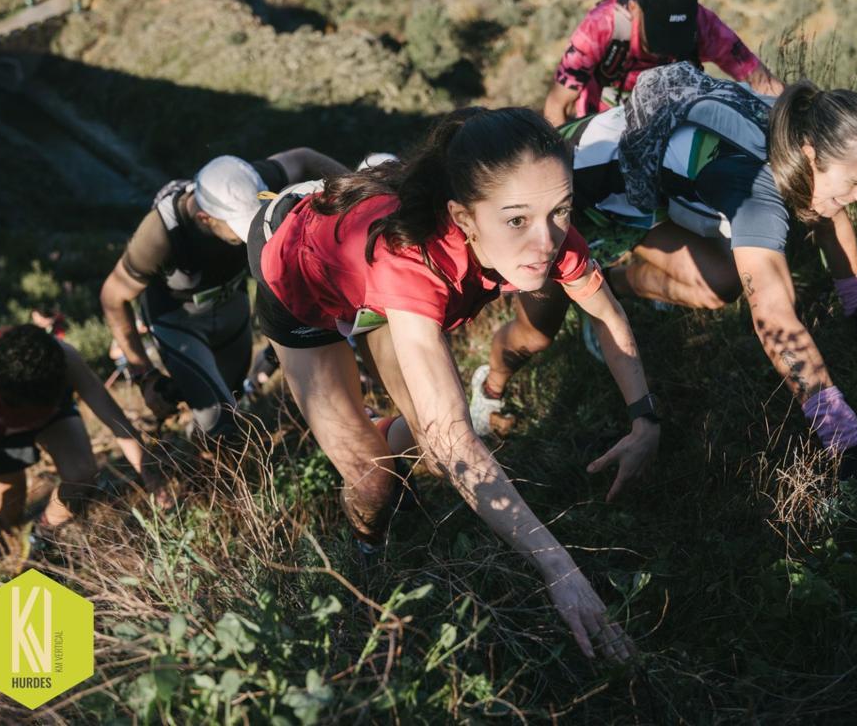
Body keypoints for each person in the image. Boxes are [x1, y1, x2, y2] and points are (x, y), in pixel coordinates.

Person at [249, 108, 660, 661]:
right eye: (516, 221)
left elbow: (608, 319)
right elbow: (456, 437)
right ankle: (367, 557)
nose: (546, 240)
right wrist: (559, 567)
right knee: (375, 486)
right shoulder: (411, 262)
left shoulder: (546, 232)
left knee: (437, 461)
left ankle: (378, 436)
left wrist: (645, 419)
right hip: (298, 272)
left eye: (559, 210)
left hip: (372, 283)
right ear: (464, 218)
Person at [478, 65, 857, 478]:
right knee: (536, 334)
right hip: (573, 198)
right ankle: (488, 389)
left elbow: (829, 212)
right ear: (810, 154)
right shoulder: (754, 192)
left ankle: (613, 286)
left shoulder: (797, 121)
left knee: (720, 284)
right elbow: (775, 321)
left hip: (642, 194)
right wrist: (843, 435)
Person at [100, 148, 350, 438]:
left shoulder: (252, 181)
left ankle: (196, 443)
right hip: (179, 323)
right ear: (205, 218)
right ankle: (210, 470)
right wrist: (144, 374)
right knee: (222, 423)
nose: (246, 235)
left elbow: (305, 158)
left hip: (233, 309)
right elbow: (112, 296)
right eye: (237, 230)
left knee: (230, 399)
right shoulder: (160, 233)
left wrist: (359, 196)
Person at [0, 324, 170, 555]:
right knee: (10, 508)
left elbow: (117, 423)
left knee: (83, 474)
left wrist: (153, 479)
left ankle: (42, 535)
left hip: (54, 417)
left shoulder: (65, 358)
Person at [544, 0, 783, 128]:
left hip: (666, 121)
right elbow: (556, 106)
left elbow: (763, 82)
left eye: (676, 38)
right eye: (658, 37)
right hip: (601, 122)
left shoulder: (704, 25)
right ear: (635, 10)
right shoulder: (600, 27)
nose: (666, 49)